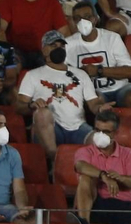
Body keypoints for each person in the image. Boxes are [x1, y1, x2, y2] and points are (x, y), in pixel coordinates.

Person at [15, 29, 104, 157]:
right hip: (50, 129)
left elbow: (93, 103)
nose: (59, 49)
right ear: (44, 49)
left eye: (62, 46)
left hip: (78, 127)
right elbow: (19, 107)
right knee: (42, 114)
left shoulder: (80, 74)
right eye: (54, 46)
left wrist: (101, 108)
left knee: (100, 141)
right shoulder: (32, 75)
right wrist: (31, 105)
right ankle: (54, 160)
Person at [74, 108, 131, 224]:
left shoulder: (128, 153)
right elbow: (80, 166)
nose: (100, 135)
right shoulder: (85, 151)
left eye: (106, 132)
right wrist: (103, 175)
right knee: (85, 177)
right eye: (97, 130)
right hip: (94, 204)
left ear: (116, 133)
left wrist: (121, 178)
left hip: (121, 204)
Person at [65, 2, 131, 109]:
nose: (83, 21)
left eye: (87, 17)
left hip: (120, 88)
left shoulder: (111, 38)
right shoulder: (68, 44)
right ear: (74, 21)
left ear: (96, 19)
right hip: (92, 93)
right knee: (93, 99)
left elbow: (129, 72)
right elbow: (61, 75)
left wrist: (98, 71)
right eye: (78, 18)